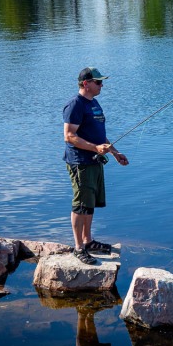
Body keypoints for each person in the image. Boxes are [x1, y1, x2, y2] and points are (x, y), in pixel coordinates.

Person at [63, 67, 129, 265]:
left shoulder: (95, 103)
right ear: (86, 83)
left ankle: (88, 241)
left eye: (101, 82)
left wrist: (115, 153)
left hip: (95, 161)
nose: (102, 85)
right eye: (98, 82)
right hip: (80, 163)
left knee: (90, 203)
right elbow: (69, 136)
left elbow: (100, 136)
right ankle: (78, 248)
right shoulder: (75, 105)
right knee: (80, 204)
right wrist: (95, 148)